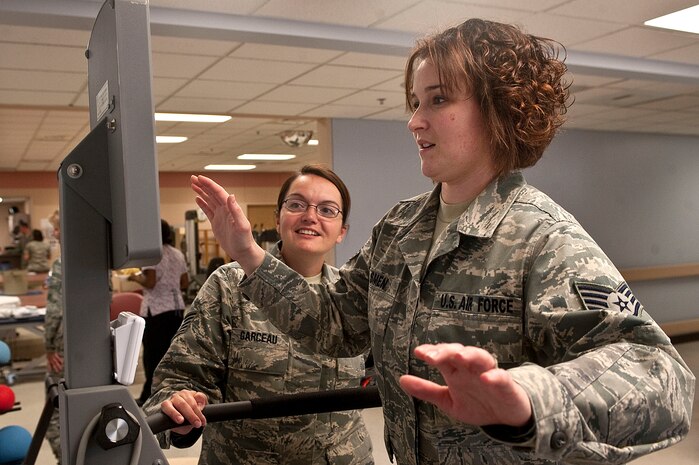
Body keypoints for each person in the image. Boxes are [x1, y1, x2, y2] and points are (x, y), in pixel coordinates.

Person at [190, 18, 695, 465]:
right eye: (414, 102)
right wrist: (249, 256)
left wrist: (528, 400)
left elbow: (663, 380)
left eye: (438, 99)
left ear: (499, 109)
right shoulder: (400, 228)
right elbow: (335, 324)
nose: (414, 120)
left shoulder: (542, 237)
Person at [144, 165, 374, 465]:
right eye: (297, 204)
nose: (310, 216)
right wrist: (180, 408)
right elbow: (178, 379)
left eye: (328, 210)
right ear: (278, 219)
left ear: (342, 232)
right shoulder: (229, 286)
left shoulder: (352, 298)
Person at [129, 219, 188, 405]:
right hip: (176, 309)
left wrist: (135, 278)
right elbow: (185, 282)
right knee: (171, 352)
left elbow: (150, 282)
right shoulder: (177, 254)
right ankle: (170, 390)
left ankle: (149, 395)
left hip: (156, 311)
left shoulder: (152, 255)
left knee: (152, 356)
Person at [43, 211, 63, 464]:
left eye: (57, 229)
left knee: (56, 413)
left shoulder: (62, 264)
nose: (54, 233)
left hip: (62, 344)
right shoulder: (94, 258)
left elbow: (55, 309)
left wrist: (48, 346)